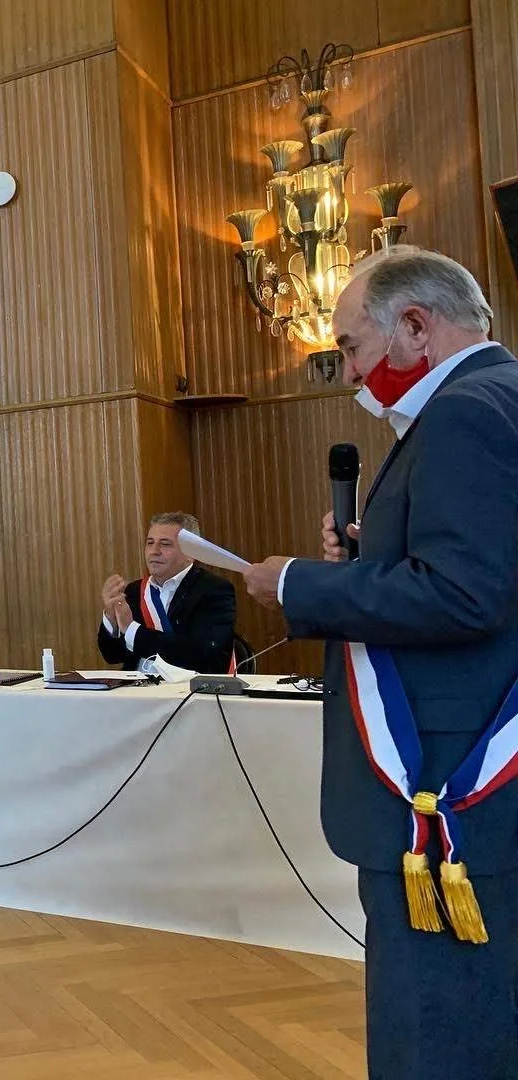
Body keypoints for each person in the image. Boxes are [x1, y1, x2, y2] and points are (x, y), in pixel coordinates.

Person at [241, 246, 518, 1079]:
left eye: (352, 347)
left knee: (434, 1023)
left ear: (415, 327)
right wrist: (371, 558)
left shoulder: (466, 412)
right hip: (475, 768)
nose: (349, 370)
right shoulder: (498, 398)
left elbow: (466, 595)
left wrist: (301, 585)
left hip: (447, 781)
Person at [97, 512, 236, 673]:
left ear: (191, 553)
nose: (154, 551)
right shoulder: (134, 591)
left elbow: (204, 656)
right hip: (136, 692)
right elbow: (112, 656)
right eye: (150, 543)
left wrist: (131, 629)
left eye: (165, 544)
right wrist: (111, 618)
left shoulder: (214, 591)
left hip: (187, 692)